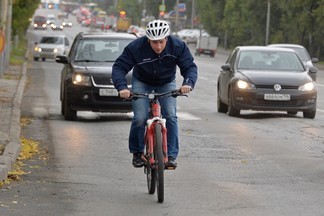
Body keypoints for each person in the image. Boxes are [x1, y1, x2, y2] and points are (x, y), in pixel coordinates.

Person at [112, 20, 198, 168]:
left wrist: (188, 84)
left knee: (171, 115)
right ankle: (137, 153)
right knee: (140, 117)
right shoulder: (136, 48)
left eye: (161, 42)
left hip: (166, 83)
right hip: (142, 82)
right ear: (148, 40)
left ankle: (170, 155)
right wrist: (122, 88)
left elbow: (189, 67)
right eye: (154, 43)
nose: (158, 46)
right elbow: (119, 67)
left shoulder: (177, 46)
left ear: (167, 38)